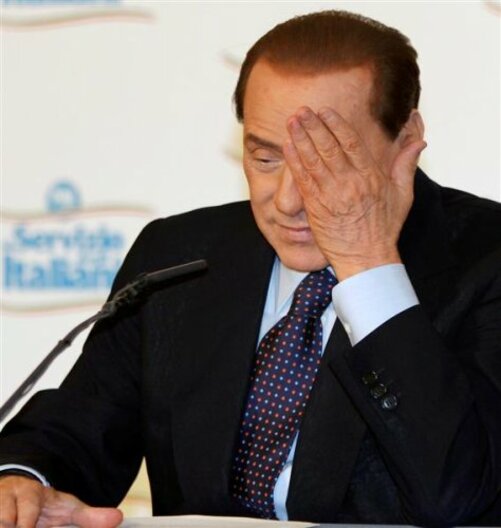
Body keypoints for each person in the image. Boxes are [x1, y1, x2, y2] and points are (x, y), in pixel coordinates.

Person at [1, 9, 500, 528]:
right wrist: (22, 480)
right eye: (265, 160)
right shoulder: (177, 256)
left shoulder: (487, 259)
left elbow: (458, 495)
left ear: (405, 139)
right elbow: (79, 432)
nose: (288, 201)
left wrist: (367, 265)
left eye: (326, 164)